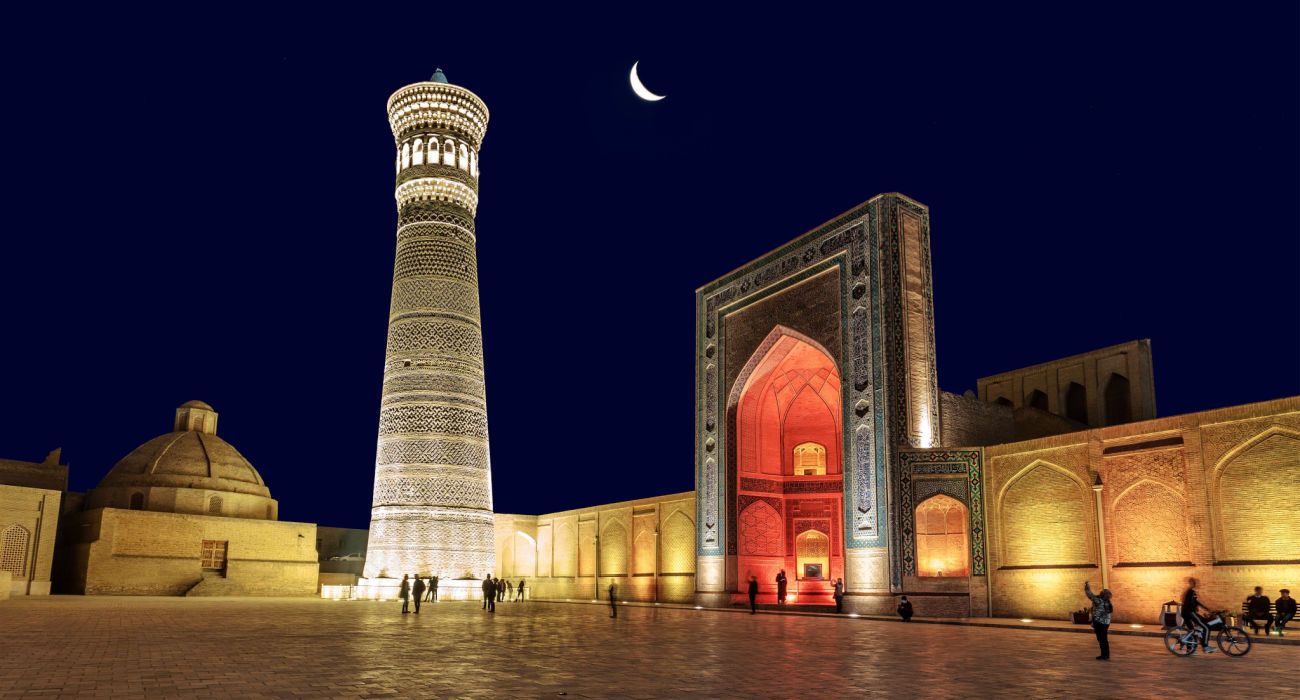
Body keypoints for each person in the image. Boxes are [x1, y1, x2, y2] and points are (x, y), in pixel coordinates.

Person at [1181, 577, 1214, 653]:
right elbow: (1191, 602)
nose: (1198, 584)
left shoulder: (1189, 592)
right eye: (1196, 583)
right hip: (1190, 613)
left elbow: (1196, 602)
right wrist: (1195, 611)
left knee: (1191, 631)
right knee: (1206, 627)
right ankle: (1205, 647)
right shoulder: (1190, 592)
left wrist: (1206, 608)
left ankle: (1189, 650)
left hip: (1186, 613)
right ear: (1192, 583)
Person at [1083, 581, 1113, 660]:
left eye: (1101, 592)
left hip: (1099, 623)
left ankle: (1105, 655)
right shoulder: (1108, 602)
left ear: (1102, 594)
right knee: (1104, 639)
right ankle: (1105, 655)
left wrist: (1087, 587)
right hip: (1106, 623)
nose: (1100, 593)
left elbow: (1090, 595)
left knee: (1101, 639)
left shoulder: (1099, 601)